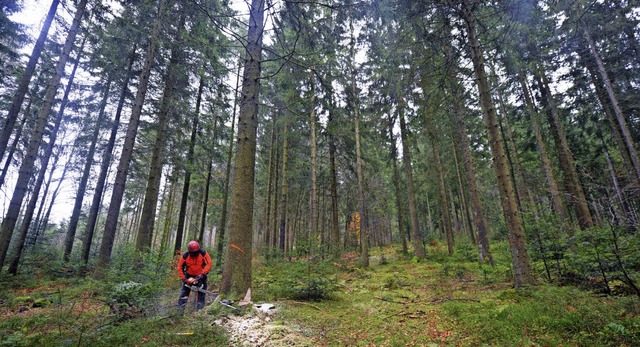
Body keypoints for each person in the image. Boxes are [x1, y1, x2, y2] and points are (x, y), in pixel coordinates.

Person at [177, 240, 213, 310]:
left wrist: (203, 273)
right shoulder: (185, 256)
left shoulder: (203, 253)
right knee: (184, 295)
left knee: (201, 295)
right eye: (193, 253)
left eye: (196, 252)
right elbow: (179, 267)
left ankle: (199, 312)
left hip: (201, 276)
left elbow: (209, 263)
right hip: (188, 276)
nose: (195, 254)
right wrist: (184, 278)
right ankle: (179, 312)